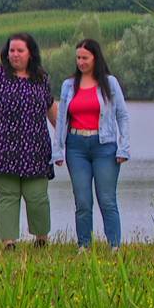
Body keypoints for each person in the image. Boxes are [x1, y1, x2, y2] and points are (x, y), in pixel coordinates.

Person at [0, 33, 57, 250]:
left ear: (30, 53)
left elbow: (51, 108)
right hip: (3, 147)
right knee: (7, 196)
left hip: (36, 148)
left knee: (37, 196)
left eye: (20, 50)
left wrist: (65, 136)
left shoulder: (41, 78)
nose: (15, 54)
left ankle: (41, 239)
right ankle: (8, 242)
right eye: (12, 50)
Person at [53, 39, 130, 253]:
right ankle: (83, 246)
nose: (81, 62)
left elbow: (122, 116)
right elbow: (61, 120)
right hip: (76, 146)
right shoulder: (69, 86)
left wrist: (124, 147)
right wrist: (57, 150)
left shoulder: (110, 83)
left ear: (95, 57)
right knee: (83, 201)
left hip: (104, 146)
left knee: (106, 199)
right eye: (78, 58)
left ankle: (114, 245)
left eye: (85, 58)